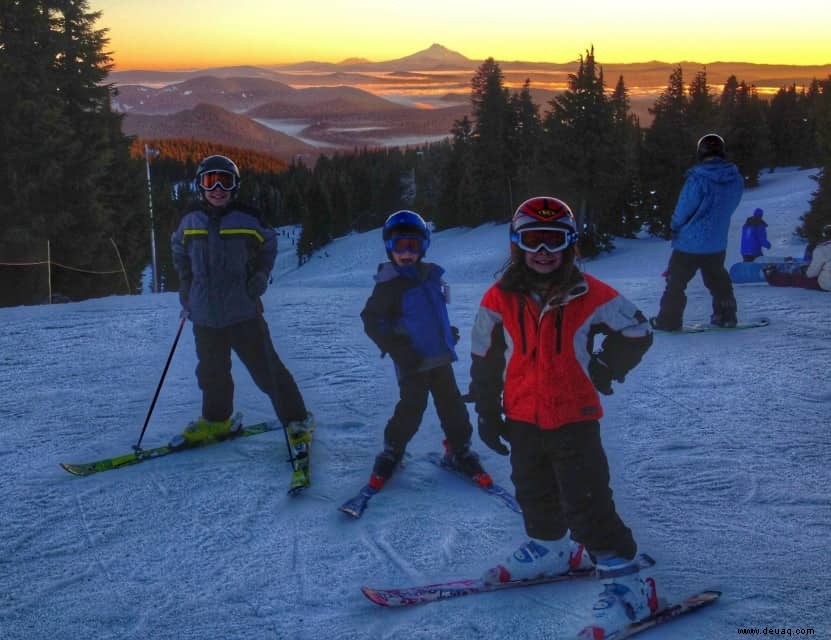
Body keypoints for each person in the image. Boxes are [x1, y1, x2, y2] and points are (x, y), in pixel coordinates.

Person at [468, 197, 656, 637]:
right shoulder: (498, 298)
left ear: (570, 243)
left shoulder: (590, 293)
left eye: (554, 240)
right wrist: (487, 409)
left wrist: (607, 366)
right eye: (533, 239)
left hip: (574, 415)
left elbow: (638, 329)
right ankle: (551, 547)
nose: (544, 250)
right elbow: (484, 355)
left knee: (587, 501)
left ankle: (630, 583)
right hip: (522, 415)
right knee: (533, 489)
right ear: (517, 244)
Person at [170, 155, 314, 482]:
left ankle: (297, 420)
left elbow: (270, 244)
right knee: (212, 373)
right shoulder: (190, 219)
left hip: (243, 311)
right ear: (200, 185)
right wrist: (185, 283)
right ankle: (217, 420)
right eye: (210, 181)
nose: (218, 189)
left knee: (267, 370)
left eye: (225, 181)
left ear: (235, 185)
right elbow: (178, 249)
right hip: (204, 314)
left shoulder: (247, 217)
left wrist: (260, 275)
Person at [360, 210, 490, 493]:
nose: (407, 253)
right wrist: (397, 349)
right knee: (411, 408)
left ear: (424, 246)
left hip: (439, 358)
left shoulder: (431, 277)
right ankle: (393, 450)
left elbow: (433, 312)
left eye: (413, 246)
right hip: (412, 362)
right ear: (389, 248)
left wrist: (446, 333)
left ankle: (459, 449)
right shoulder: (389, 286)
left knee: (452, 406)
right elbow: (371, 321)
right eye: (400, 246)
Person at [651, 133, 744, 330]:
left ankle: (669, 320)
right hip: (716, 241)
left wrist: (675, 226)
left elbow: (684, 207)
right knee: (717, 278)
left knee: (676, 281)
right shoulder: (735, 178)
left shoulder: (697, 179)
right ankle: (726, 315)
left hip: (689, 243)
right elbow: (730, 205)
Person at [764, 223, 831, 291]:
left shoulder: (822, 249)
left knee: (797, 280)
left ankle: (772, 277)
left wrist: (805, 271)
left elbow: (811, 273)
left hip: (827, 284)